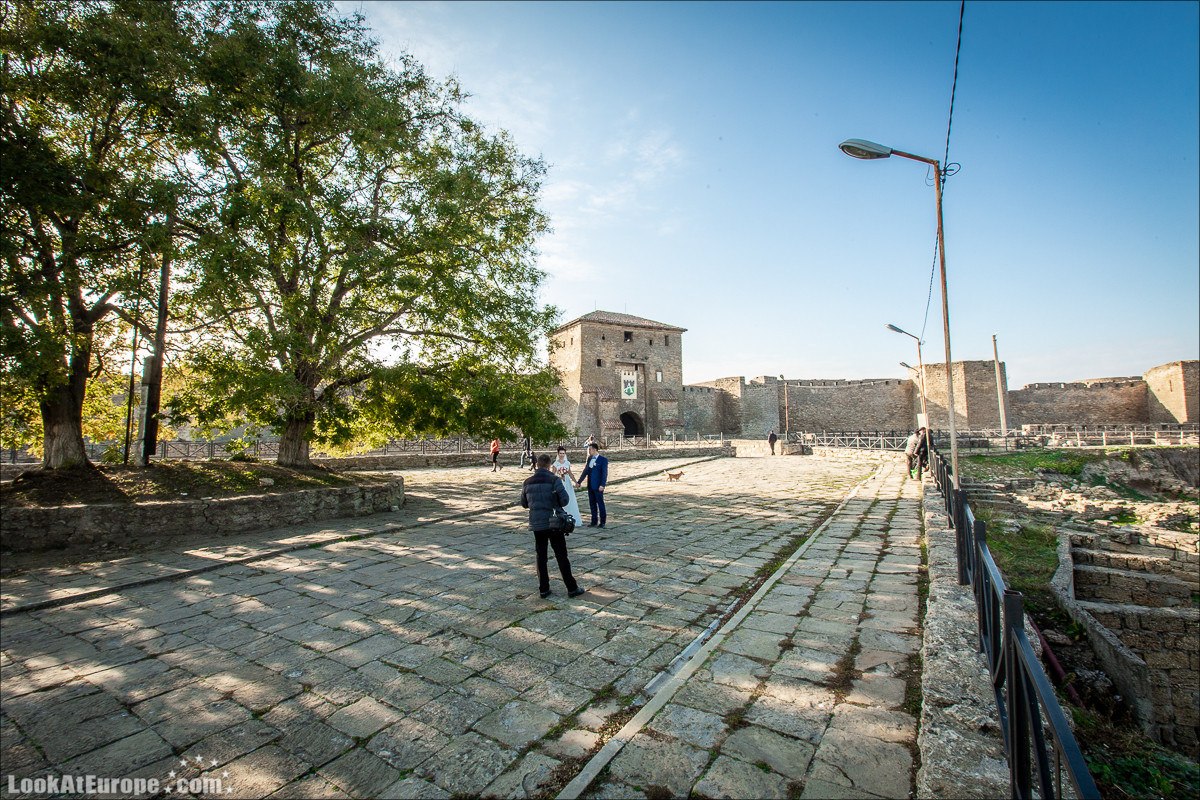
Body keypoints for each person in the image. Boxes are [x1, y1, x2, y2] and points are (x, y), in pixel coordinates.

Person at [520, 454, 584, 599]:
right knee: (561, 555)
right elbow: (565, 500)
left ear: (537, 465)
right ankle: (571, 588)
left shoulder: (527, 482)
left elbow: (524, 503)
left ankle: (543, 588)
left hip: (537, 523)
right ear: (549, 466)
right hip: (554, 522)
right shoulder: (554, 480)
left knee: (541, 556)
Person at [575, 442, 608, 528]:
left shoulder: (603, 460)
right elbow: (585, 471)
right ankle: (594, 521)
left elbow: (604, 473)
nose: (589, 451)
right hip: (590, 485)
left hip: (598, 485)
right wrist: (579, 481)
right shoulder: (590, 459)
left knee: (600, 504)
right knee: (592, 504)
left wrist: (602, 484)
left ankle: (603, 521)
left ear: (594, 449)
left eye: (590, 449)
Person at [551, 446, 583, 526]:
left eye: (563, 453)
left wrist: (576, 482)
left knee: (570, 497)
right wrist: (559, 477)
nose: (562, 455)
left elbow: (570, 473)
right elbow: (553, 474)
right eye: (560, 453)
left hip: (567, 481)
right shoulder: (555, 464)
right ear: (558, 454)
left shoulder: (567, 463)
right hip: (559, 481)